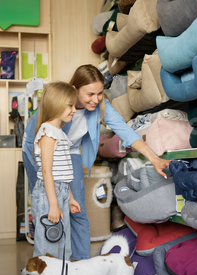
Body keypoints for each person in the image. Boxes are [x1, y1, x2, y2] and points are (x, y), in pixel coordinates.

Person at [23, 64, 170, 263]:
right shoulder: (57, 103)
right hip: (38, 150)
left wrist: (154, 158)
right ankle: (49, 264)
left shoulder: (100, 106)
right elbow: (39, 141)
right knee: (49, 206)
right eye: (90, 94)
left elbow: (125, 132)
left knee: (78, 210)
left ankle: (80, 267)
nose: (96, 98)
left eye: (100, 93)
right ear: (75, 89)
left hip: (70, 151)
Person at [27, 82, 81, 275]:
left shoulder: (59, 132)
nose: (74, 110)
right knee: (46, 251)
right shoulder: (47, 132)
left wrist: (69, 198)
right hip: (48, 196)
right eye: (70, 105)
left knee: (62, 248)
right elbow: (47, 172)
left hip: (58, 193)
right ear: (56, 104)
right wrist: (53, 204)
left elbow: (62, 172)